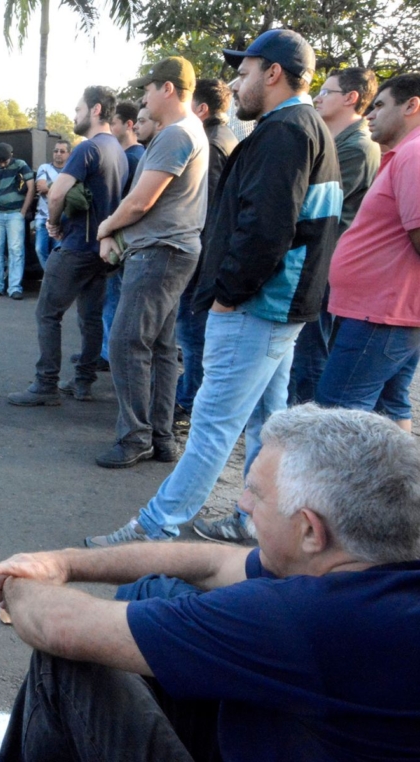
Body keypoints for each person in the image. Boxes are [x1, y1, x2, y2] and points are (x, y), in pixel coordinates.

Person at [0, 404, 420, 761]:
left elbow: (58, 628)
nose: (242, 503)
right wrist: (63, 563)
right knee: (155, 590)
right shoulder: (371, 571)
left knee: (64, 665)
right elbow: (212, 563)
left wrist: (19, 579)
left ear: (310, 530)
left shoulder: (301, 619)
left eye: (257, 495)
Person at [86, 29, 342, 547]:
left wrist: (227, 293)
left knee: (211, 426)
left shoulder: (286, 130)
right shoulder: (303, 126)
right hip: (278, 305)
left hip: (258, 303)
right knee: (269, 421)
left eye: (244, 72)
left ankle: (154, 527)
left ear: (273, 72)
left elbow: (267, 228)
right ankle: (255, 521)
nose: (236, 82)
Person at [94, 57, 208, 469]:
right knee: (160, 347)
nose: (143, 96)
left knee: (125, 343)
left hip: (160, 252)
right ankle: (159, 437)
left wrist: (106, 228)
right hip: (173, 250)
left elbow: (142, 200)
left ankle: (136, 437)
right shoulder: (189, 130)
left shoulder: (177, 133)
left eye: (148, 89)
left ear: (169, 89)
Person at [8, 86, 127, 407]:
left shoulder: (87, 149)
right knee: (90, 319)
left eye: (78, 110)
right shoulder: (117, 150)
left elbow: (57, 192)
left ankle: (45, 384)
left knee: (48, 312)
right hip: (103, 252)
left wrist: (54, 223)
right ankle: (83, 382)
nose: (75, 116)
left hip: (77, 246)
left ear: (96, 110)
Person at [318, 73, 420, 431]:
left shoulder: (415, 153)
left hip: (381, 315)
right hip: (386, 313)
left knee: (337, 417)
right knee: (388, 410)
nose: (370, 114)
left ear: (412, 106)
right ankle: (399, 488)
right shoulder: (405, 154)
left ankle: (336, 489)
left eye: (379, 105)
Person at [289, 68, 382, 404]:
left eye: (326, 91)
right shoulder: (335, 139)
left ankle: (307, 426)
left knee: (310, 353)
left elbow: (316, 201)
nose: (318, 97)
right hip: (317, 256)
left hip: (325, 261)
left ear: (351, 97)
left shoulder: (358, 146)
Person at [174, 79, 240, 433]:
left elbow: (209, 209)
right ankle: (189, 395)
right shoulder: (224, 137)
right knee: (194, 332)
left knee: (192, 332)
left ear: (201, 109)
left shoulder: (212, 143)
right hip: (209, 252)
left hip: (202, 255)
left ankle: (188, 400)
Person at [98, 100, 147, 369]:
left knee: (114, 301)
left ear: (129, 125)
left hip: (123, 243)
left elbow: (127, 203)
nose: (110, 127)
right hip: (124, 242)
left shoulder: (133, 158)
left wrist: (108, 230)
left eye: (114, 122)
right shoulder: (135, 157)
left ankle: (108, 355)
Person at [0, 142, 36, 299]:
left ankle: (14, 287)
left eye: (4, 161)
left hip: (15, 214)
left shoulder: (20, 165)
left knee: (15, 250)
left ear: (11, 156)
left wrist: (23, 211)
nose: (2, 164)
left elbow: (31, 187)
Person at [33, 140, 70, 270]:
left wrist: (50, 189)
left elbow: (72, 193)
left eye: (62, 151)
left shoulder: (70, 171)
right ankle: (51, 276)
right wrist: (61, 191)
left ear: (68, 154)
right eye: (56, 151)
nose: (58, 154)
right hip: (42, 217)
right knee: (39, 249)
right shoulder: (44, 168)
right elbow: (40, 186)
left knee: (58, 252)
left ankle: (53, 278)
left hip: (62, 218)